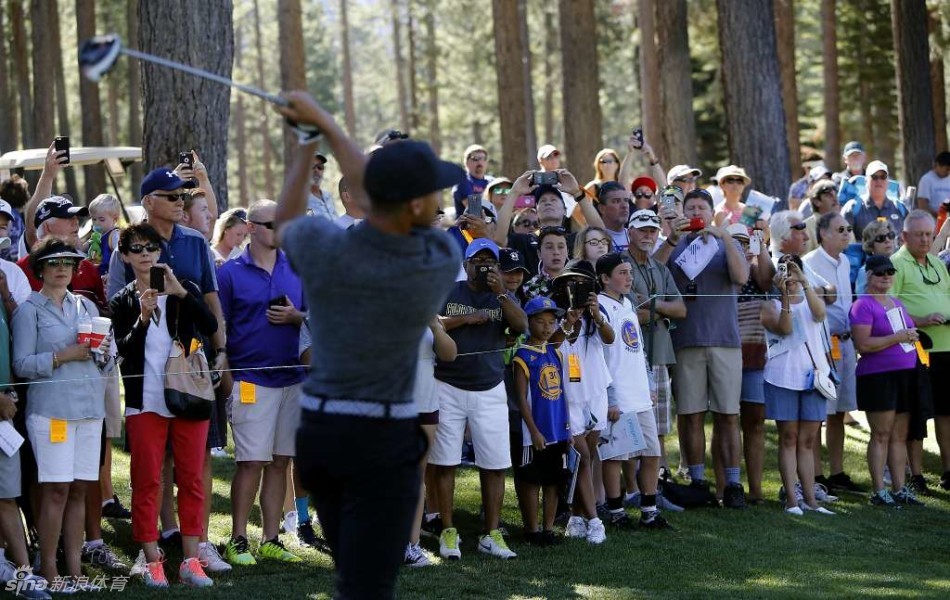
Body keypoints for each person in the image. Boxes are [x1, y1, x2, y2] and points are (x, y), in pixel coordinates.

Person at [274, 91, 464, 600]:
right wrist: (328, 128)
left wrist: (308, 142)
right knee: (368, 585)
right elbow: (378, 191)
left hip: (322, 434)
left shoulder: (329, 245)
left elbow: (286, 222)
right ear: (415, 203)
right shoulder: (436, 254)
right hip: (381, 437)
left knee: (353, 576)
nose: (441, 200)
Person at [109, 224, 219, 587]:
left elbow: (209, 323)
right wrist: (142, 317)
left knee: (191, 479)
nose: (145, 254)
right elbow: (123, 352)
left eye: (151, 247)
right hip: (145, 402)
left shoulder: (182, 287)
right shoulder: (122, 300)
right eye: (137, 249)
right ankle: (152, 559)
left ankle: (191, 560)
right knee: (147, 480)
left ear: (160, 252)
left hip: (188, 397)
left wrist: (181, 294)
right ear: (125, 256)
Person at [11, 239, 110, 590]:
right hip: (51, 412)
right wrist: (61, 356)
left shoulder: (86, 305)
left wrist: (105, 351)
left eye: (68, 263)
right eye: (54, 263)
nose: (62, 268)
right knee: (56, 490)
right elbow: (21, 365)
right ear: (40, 269)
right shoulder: (29, 310)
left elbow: (103, 360)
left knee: (80, 489)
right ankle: (50, 571)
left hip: (89, 409)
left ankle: (76, 572)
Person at [217, 200, 308, 566]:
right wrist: (228, 381)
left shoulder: (298, 267)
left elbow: (316, 318)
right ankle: (238, 539)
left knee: (281, 461)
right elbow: (218, 327)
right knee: (250, 462)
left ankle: (271, 538)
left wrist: (296, 317)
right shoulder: (230, 273)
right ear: (252, 227)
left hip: (293, 379)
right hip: (250, 380)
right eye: (273, 224)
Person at [430, 238, 527, 561]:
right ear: (466, 264)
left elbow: (521, 325)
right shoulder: (450, 291)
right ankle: (447, 529)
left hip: (490, 386)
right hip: (448, 384)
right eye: (478, 262)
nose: (484, 267)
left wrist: (501, 293)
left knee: (495, 463)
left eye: (490, 262)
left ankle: (491, 532)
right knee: (445, 461)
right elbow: (431, 322)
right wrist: (465, 318)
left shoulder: (503, 295)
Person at [654, 188, 749, 508]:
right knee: (691, 415)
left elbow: (741, 277)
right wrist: (672, 238)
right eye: (691, 208)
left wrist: (725, 237)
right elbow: (654, 275)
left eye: (701, 208)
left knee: (728, 415)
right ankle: (697, 481)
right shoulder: (675, 243)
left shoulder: (725, 243)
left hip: (725, 341)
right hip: (686, 341)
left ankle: (733, 484)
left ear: (712, 212)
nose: (696, 213)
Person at [596, 253, 671, 529]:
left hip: (639, 394)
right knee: (615, 456)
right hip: (619, 397)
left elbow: (638, 349)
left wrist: (648, 384)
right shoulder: (600, 308)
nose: (629, 277)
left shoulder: (628, 303)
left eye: (630, 272)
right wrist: (610, 398)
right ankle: (616, 512)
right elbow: (601, 357)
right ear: (605, 278)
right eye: (622, 273)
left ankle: (649, 511)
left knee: (652, 453)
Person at [760, 255, 834, 515]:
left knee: (808, 440)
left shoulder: (810, 296)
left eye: (793, 271)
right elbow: (785, 328)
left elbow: (820, 314)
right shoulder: (770, 305)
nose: (789, 276)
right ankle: (792, 500)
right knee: (789, 438)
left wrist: (804, 283)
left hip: (814, 376)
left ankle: (811, 500)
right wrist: (784, 295)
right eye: (785, 271)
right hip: (782, 377)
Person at [850, 255, 925, 507]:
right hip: (877, 376)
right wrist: (898, 337)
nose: (886, 277)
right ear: (869, 275)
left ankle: (899, 488)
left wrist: (911, 335)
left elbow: (905, 333)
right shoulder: (862, 305)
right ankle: (879, 490)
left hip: (905, 373)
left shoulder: (896, 303)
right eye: (881, 272)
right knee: (881, 433)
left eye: (890, 272)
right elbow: (863, 344)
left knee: (899, 435)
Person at [549, 261, 611, 544]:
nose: (576, 289)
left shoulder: (596, 314)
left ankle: (576, 516)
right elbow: (551, 345)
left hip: (595, 391)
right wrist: (568, 321)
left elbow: (610, 339)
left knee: (589, 454)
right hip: (568, 396)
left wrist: (596, 315)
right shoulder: (556, 314)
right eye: (571, 283)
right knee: (581, 456)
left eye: (582, 284)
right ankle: (595, 521)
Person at [889, 210, 950, 492]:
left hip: (946, 347)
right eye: (919, 235)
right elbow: (889, 310)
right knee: (917, 414)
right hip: (916, 350)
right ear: (905, 236)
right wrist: (922, 320)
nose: (925, 240)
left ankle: (948, 471)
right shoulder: (896, 264)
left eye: (929, 234)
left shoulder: (937, 263)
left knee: (946, 412)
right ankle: (916, 475)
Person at [624, 210, 687, 479]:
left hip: (659, 352)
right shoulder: (620, 265)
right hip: (627, 356)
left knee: (658, 424)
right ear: (630, 232)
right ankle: (632, 487)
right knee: (629, 423)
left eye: (652, 230)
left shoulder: (660, 268)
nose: (648, 235)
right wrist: (662, 310)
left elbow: (681, 309)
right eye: (642, 230)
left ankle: (660, 479)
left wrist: (651, 304)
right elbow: (628, 313)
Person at [803, 213, 862, 495]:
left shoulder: (846, 260)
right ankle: (816, 474)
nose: (847, 233)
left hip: (846, 343)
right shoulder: (809, 261)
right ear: (824, 233)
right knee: (820, 413)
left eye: (848, 228)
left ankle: (837, 473)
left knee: (840, 411)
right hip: (824, 345)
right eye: (840, 229)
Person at [513, 296, 572, 546]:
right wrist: (534, 431)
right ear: (528, 322)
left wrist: (568, 428)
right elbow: (521, 398)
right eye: (540, 321)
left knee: (554, 481)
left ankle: (548, 529)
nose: (547, 327)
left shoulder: (554, 352)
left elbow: (563, 392)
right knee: (531, 480)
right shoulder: (522, 356)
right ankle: (532, 530)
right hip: (534, 433)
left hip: (558, 429)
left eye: (551, 322)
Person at [405, 317, 457, 567]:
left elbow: (450, 354)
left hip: (425, 406)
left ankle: (411, 545)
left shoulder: (428, 314)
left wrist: (435, 326)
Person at [730, 224, 773, 504]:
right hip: (726, 351)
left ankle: (756, 490)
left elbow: (767, 281)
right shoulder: (721, 266)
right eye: (736, 242)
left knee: (755, 422)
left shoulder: (756, 265)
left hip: (755, 354)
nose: (742, 247)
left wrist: (762, 247)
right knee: (727, 421)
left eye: (746, 242)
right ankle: (727, 487)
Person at [494, 171, 605, 277]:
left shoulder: (576, 240)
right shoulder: (524, 241)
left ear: (565, 211)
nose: (548, 202)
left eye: (553, 200)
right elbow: (498, 238)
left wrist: (577, 193)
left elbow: (601, 233)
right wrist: (514, 192)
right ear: (536, 212)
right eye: (543, 201)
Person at [842, 160, 908, 241]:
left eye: (883, 177)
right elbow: (842, 236)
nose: (879, 181)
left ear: (888, 181)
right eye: (874, 177)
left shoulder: (900, 208)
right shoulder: (853, 207)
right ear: (866, 181)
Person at [522, 226, 570, 300]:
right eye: (549, 247)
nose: (556, 252)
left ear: (567, 252)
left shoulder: (577, 282)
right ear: (539, 253)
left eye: (560, 247)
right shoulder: (530, 287)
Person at [854, 220, 897, 295]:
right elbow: (862, 299)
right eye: (881, 238)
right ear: (870, 245)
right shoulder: (865, 271)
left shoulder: (899, 264)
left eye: (890, 236)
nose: (887, 240)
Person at [86, 194, 122, 274]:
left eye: (101, 220)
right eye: (94, 219)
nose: (96, 223)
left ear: (115, 219)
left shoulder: (114, 235)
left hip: (109, 275)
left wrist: (112, 274)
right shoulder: (96, 236)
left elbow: (120, 257)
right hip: (96, 275)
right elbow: (82, 248)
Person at [452, 145, 491, 216]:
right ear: (466, 162)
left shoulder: (492, 182)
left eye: (483, 159)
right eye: (475, 158)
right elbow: (475, 210)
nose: (480, 162)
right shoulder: (462, 182)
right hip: (468, 222)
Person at [801, 180, 839, 254]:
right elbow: (805, 258)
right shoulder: (806, 228)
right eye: (829, 196)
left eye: (836, 195)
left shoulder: (843, 224)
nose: (835, 199)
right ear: (816, 201)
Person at [594, 182, 632, 253]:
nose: (624, 206)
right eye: (616, 201)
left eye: (626, 200)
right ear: (602, 208)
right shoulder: (592, 239)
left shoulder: (636, 236)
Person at [916, 151, 950, 217]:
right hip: (932, 219)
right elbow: (922, 205)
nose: (948, 172)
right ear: (937, 165)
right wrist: (938, 216)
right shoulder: (926, 179)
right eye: (947, 169)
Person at [306, 153, 337, 221]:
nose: (316, 170)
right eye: (312, 167)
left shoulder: (328, 196)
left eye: (320, 167)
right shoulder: (300, 200)